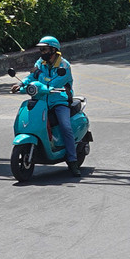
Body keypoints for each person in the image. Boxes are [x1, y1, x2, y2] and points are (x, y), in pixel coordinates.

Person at [13, 36, 81, 176]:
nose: (42, 52)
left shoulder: (64, 65)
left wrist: (40, 82)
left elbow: (54, 83)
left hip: (59, 100)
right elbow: (31, 76)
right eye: (41, 49)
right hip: (42, 99)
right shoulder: (40, 62)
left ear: (53, 49)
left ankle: (73, 160)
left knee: (65, 126)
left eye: (44, 49)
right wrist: (21, 84)